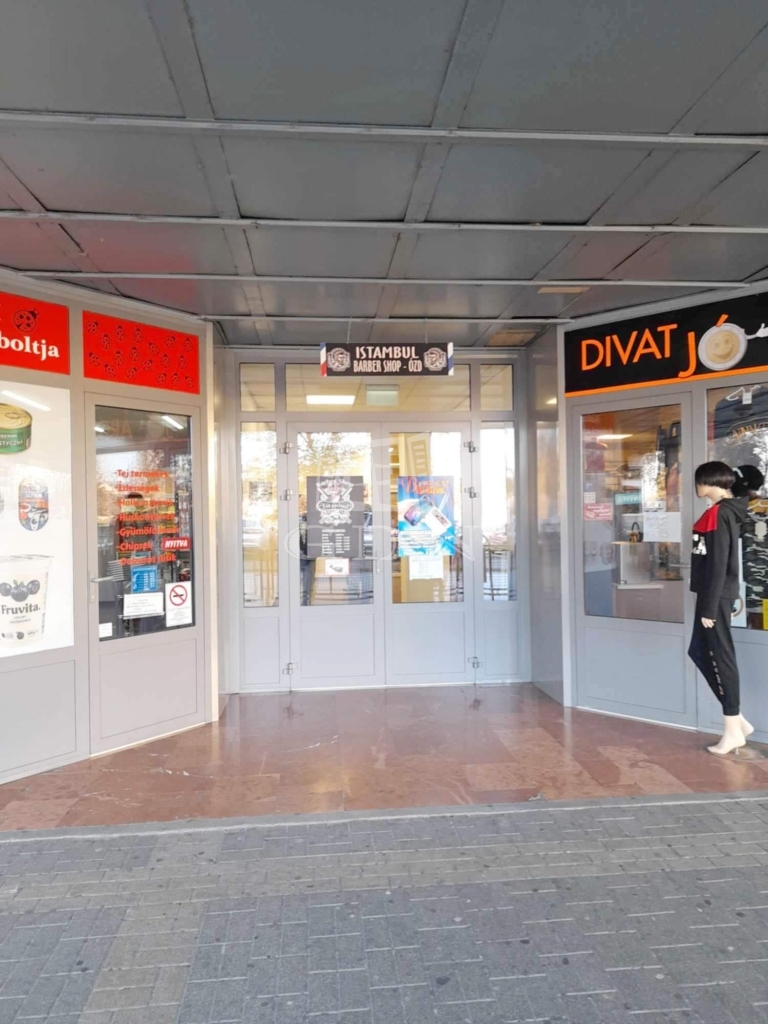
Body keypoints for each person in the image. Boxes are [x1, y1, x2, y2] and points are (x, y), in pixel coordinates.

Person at [688, 462, 751, 756]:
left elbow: (718, 564)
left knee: (721, 657)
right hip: (713, 595)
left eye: (698, 481)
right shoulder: (721, 511)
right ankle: (737, 721)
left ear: (708, 481)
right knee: (699, 652)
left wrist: (710, 608)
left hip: (715, 597)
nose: (696, 487)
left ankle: (732, 727)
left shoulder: (721, 513)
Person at [736, 464, 768, 631]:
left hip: (746, 590)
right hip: (749, 590)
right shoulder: (737, 511)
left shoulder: (736, 512)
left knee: (752, 632)